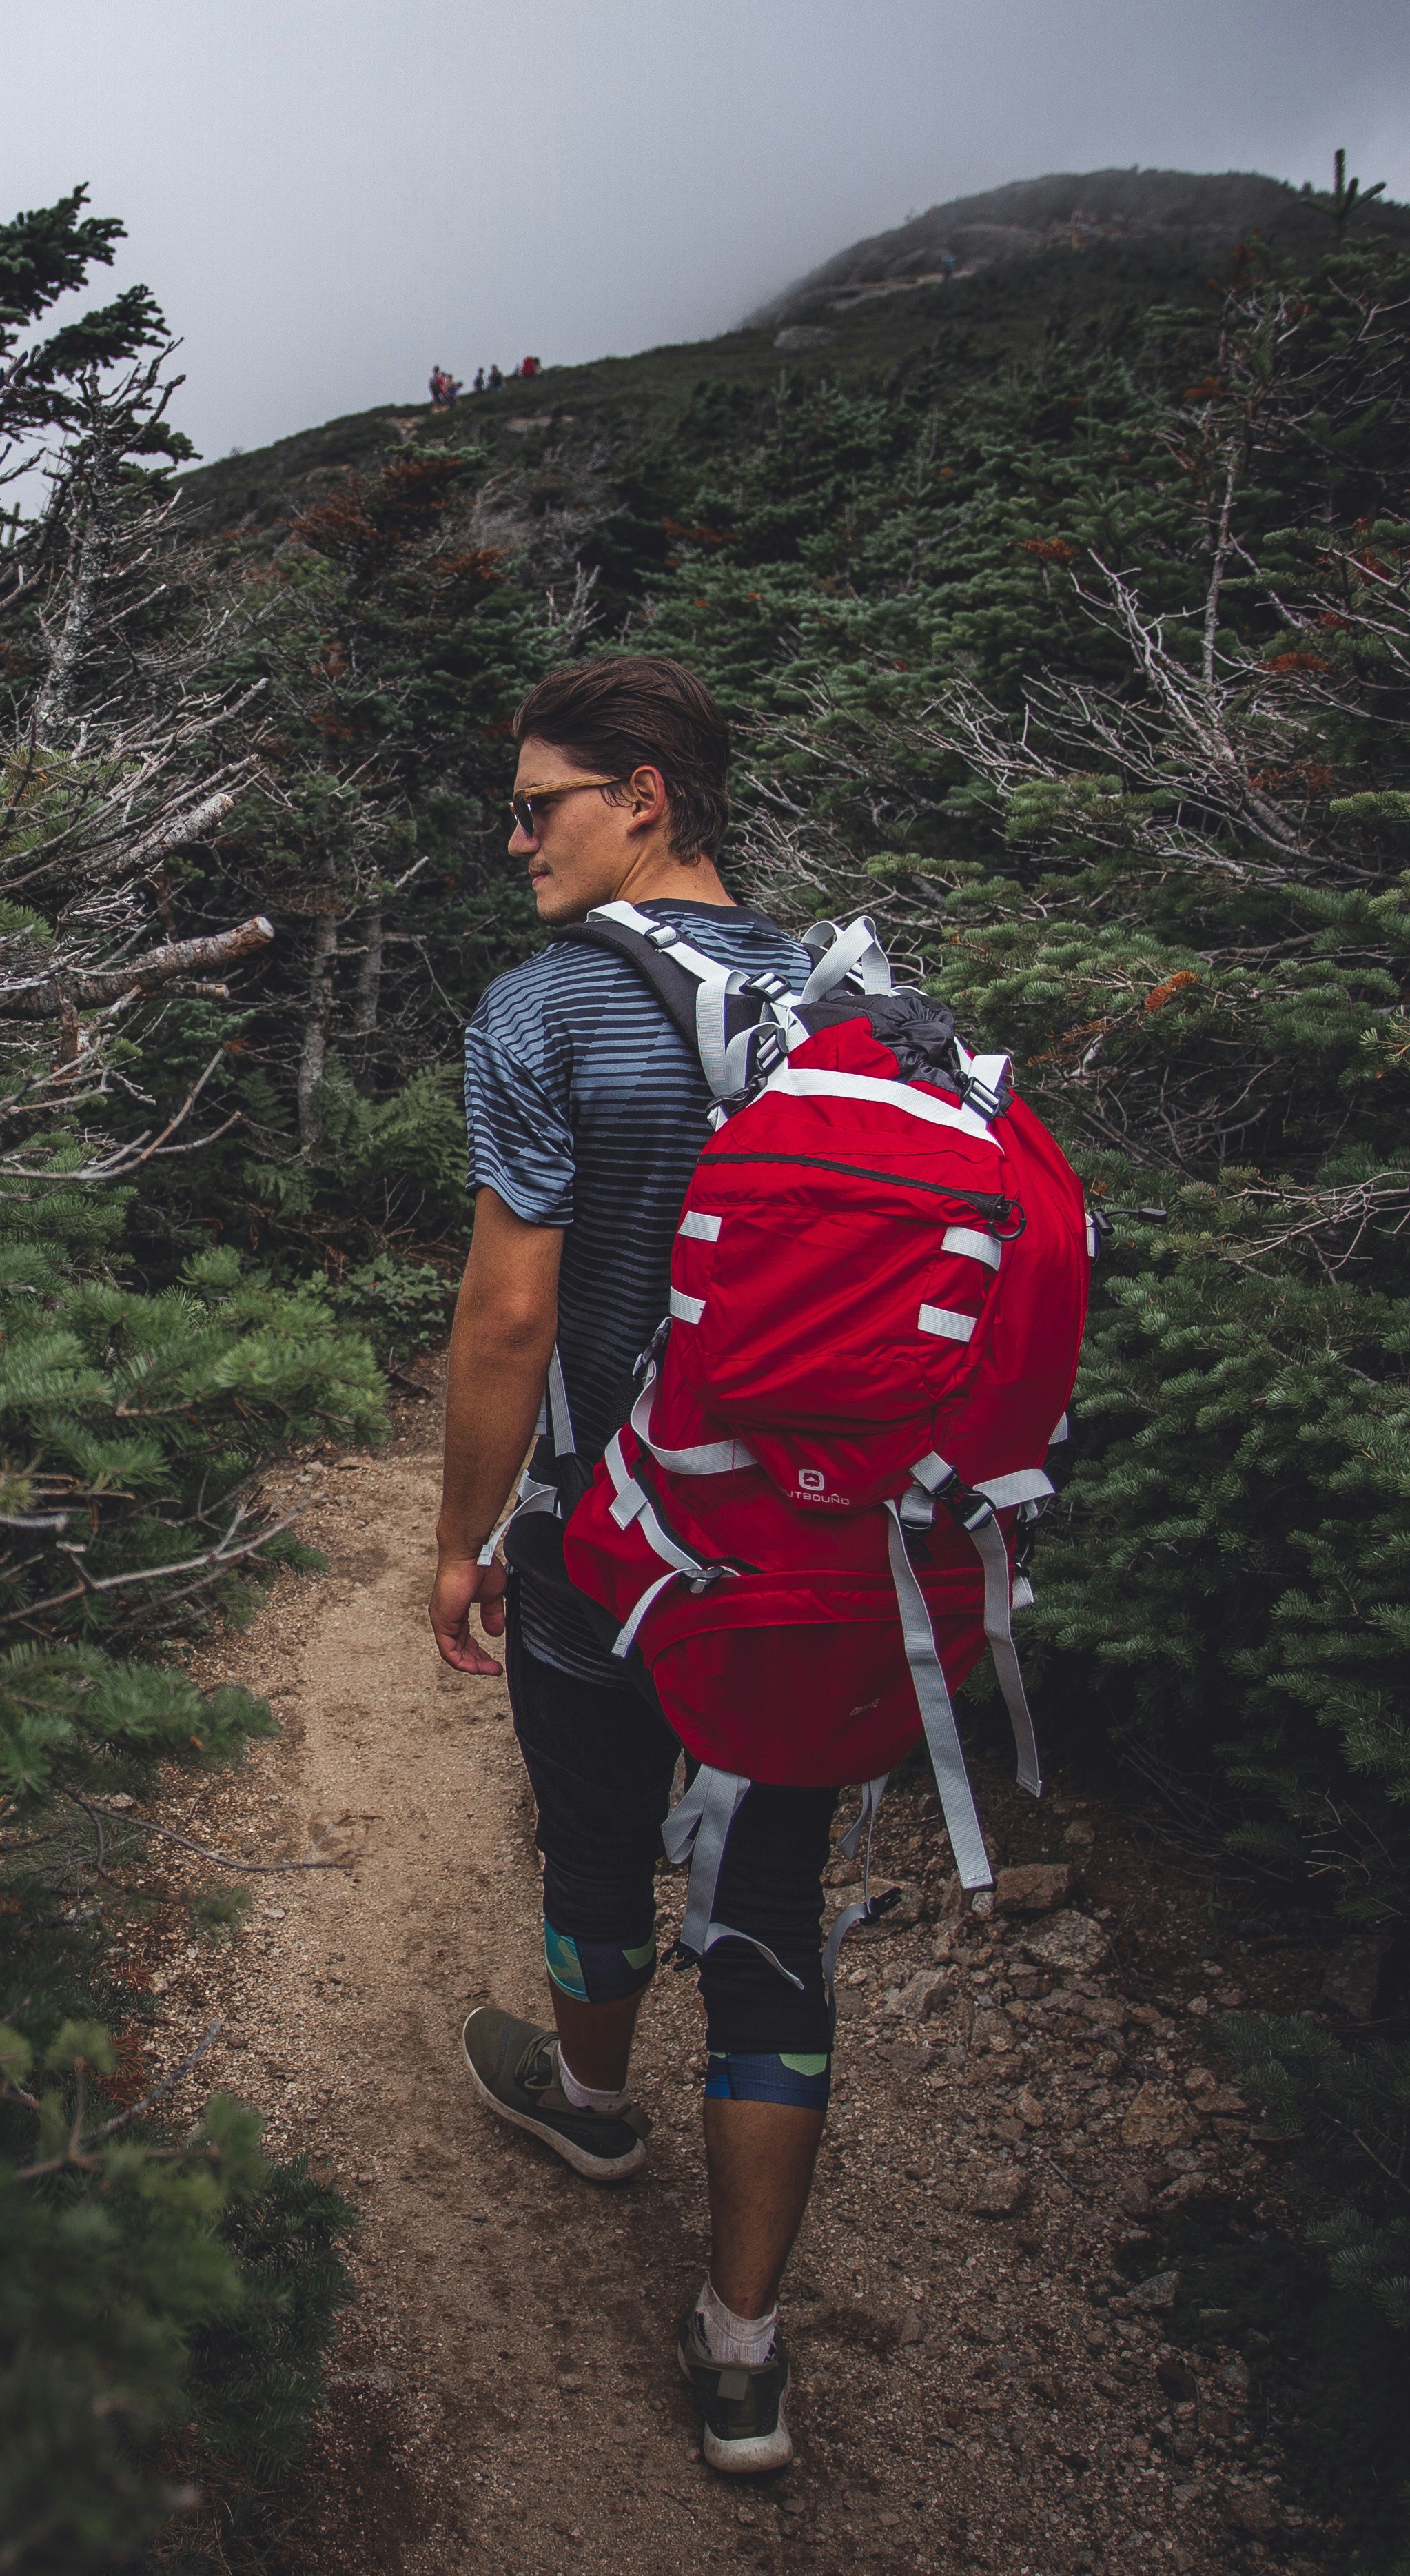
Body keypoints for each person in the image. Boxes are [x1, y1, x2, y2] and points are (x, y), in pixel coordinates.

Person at [430, 656, 829, 2477]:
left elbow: (512, 1321)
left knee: (595, 1839)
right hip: (816, 1563)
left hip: (610, 1545)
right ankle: (743, 2352)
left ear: (646, 794)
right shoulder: (861, 1009)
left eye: (541, 802)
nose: (514, 836)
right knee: (769, 1930)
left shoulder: (545, 1007)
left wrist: (462, 1538)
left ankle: (593, 2104)